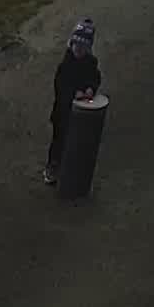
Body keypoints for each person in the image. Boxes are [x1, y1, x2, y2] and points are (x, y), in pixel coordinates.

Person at [44, 18, 102, 184]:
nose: (78, 50)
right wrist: (73, 94)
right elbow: (60, 86)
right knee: (59, 141)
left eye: (83, 47)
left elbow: (95, 77)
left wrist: (91, 88)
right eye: (76, 46)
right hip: (63, 112)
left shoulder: (90, 63)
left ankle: (71, 169)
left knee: (77, 142)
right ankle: (53, 166)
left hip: (81, 114)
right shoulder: (66, 65)